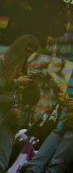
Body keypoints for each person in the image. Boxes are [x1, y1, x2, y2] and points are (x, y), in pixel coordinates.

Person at [0, 34, 39, 169]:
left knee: (3, 157)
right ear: (19, 48)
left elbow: (32, 100)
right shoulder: (2, 61)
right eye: (26, 51)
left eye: (31, 52)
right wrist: (16, 82)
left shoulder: (24, 69)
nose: (27, 55)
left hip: (11, 119)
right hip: (1, 110)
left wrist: (33, 87)